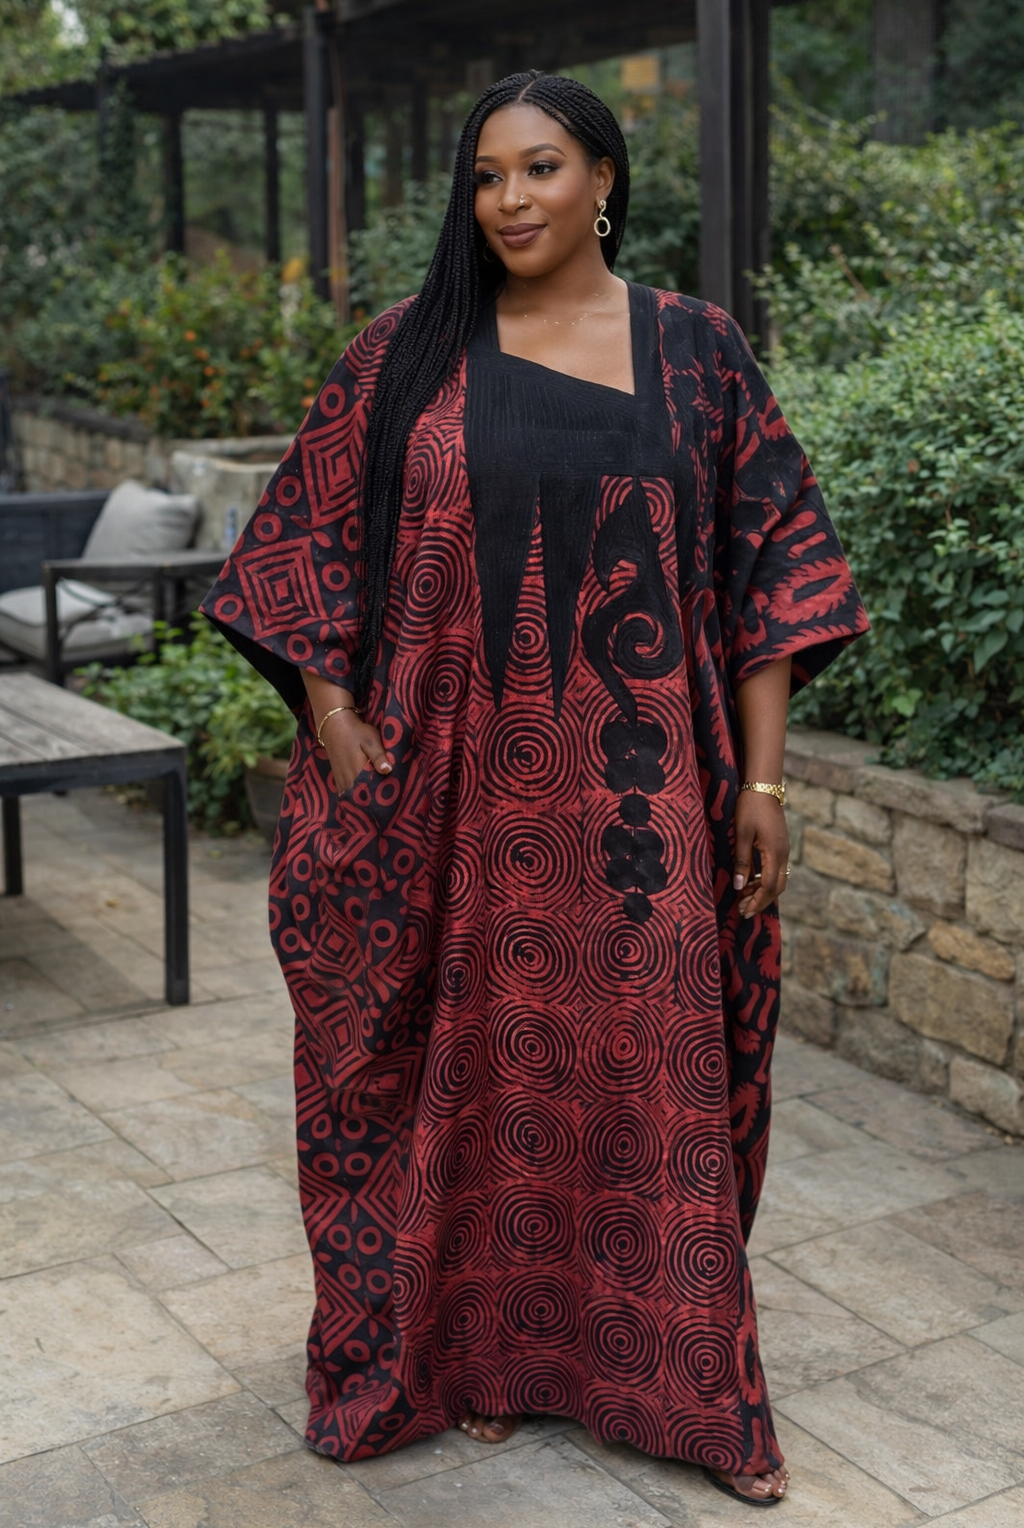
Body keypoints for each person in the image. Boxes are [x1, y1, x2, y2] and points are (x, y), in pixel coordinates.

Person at [202, 70, 867, 1508]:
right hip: (452, 819)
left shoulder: (698, 353)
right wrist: (330, 712)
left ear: (606, 179)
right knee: (475, 1082)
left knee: (652, 1089)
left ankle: (684, 1390)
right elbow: (297, 540)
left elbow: (776, 564)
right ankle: (477, 1360)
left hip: (642, 820)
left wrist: (763, 780)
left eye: (543, 167)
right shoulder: (406, 354)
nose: (510, 199)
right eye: (488, 174)